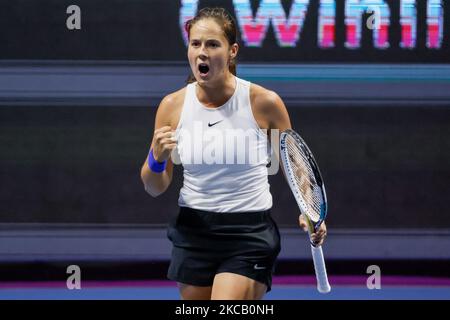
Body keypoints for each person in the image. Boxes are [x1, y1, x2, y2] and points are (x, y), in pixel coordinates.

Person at [140, 7, 327, 300]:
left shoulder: (264, 103)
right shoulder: (171, 106)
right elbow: (153, 186)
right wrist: (157, 157)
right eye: (195, 44)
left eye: (213, 44)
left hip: (248, 235)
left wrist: (310, 212)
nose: (202, 52)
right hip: (193, 233)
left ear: (232, 51)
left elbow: (296, 166)